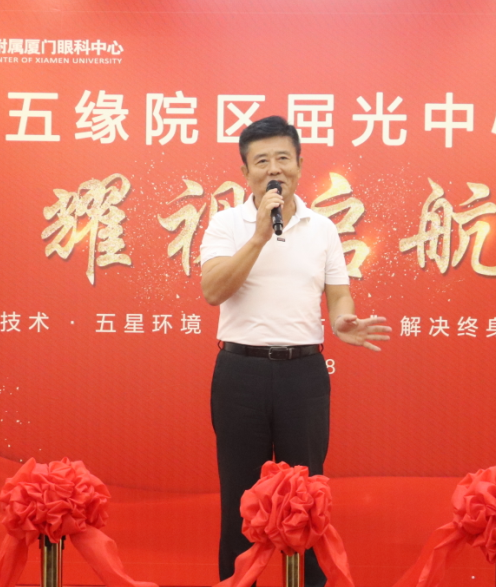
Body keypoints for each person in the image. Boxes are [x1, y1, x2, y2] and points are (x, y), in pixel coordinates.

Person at [200, 115, 391, 587]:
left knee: (305, 497)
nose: (274, 169)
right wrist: (259, 235)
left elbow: (338, 295)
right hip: (239, 373)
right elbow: (213, 290)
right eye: (261, 161)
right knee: (240, 497)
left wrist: (343, 319)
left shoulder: (322, 229)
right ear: (245, 172)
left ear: (300, 165)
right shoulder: (225, 224)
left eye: (283, 158)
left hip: (302, 374)